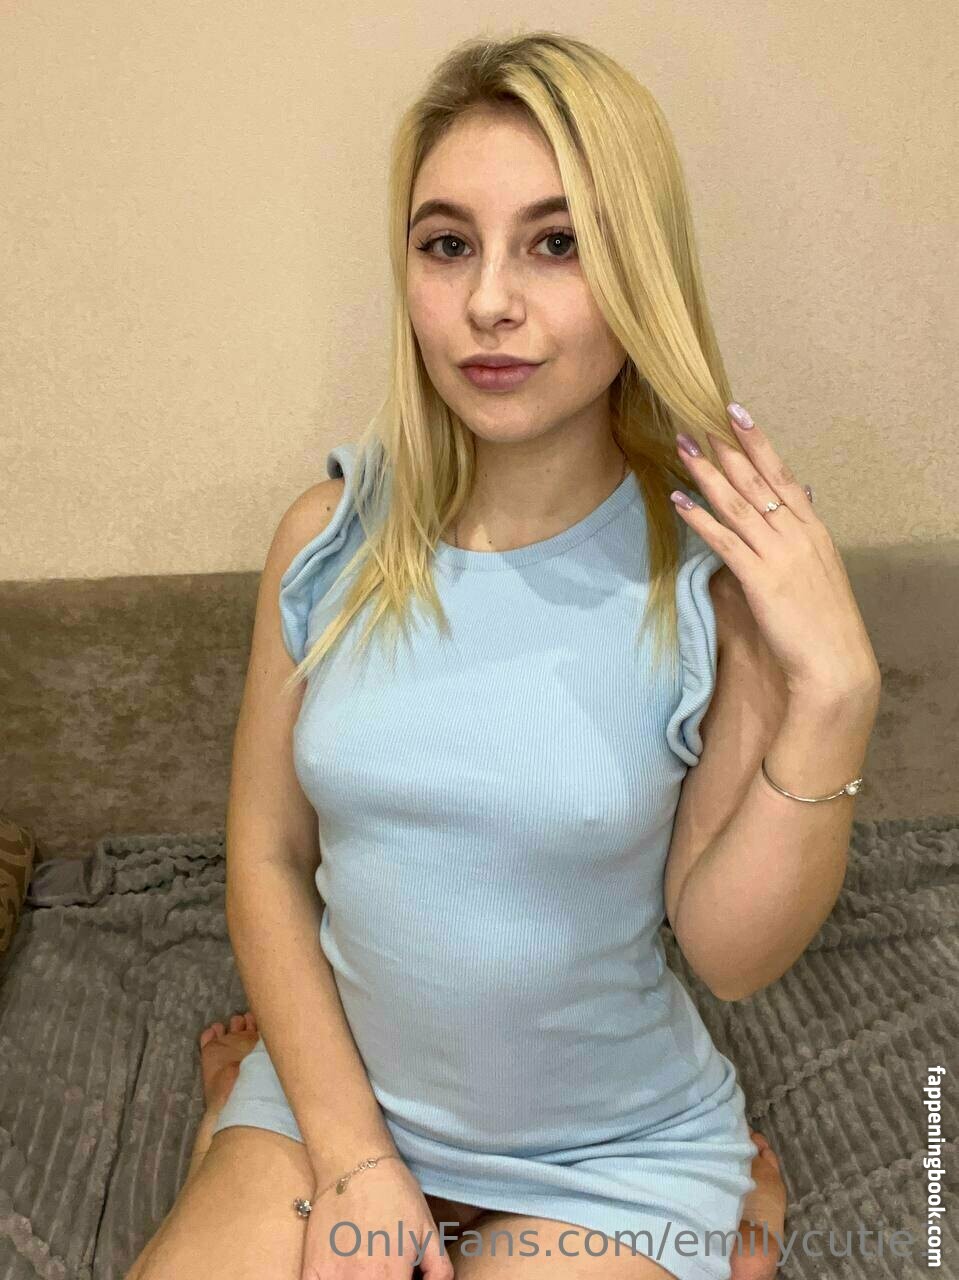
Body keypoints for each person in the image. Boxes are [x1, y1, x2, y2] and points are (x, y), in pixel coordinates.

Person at [125, 30, 830, 1280]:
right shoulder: (323, 536)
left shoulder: (703, 576)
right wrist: (354, 1156)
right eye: (447, 244)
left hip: (605, 1151)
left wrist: (832, 698)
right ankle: (248, 1111)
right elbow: (267, 853)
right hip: (337, 1096)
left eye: (555, 243)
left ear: (637, 268)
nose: (488, 301)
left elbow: (730, 956)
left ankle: (736, 1215)